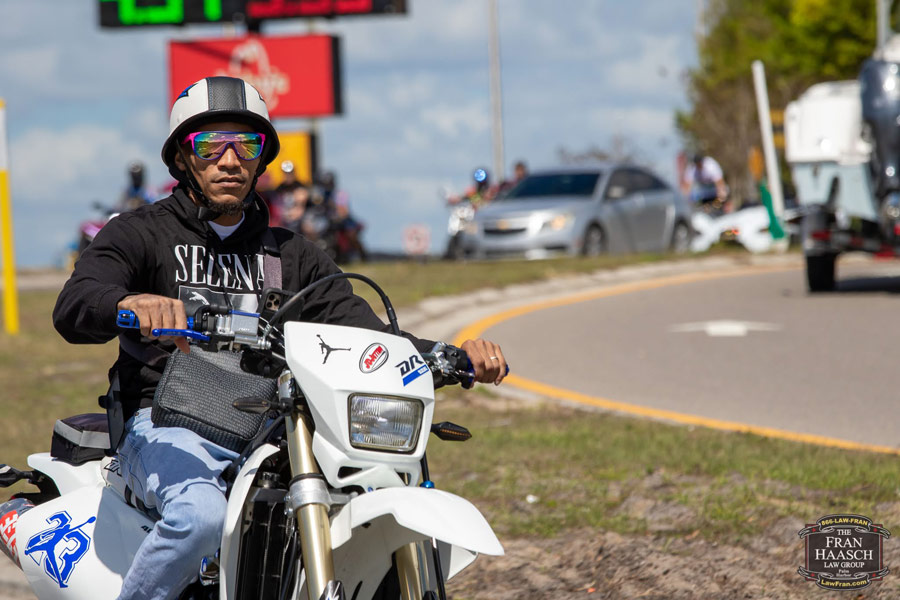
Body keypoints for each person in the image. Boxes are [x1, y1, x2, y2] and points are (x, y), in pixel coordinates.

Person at [52, 76, 508, 600]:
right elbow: (75, 303)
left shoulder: (293, 254)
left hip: (274, 425)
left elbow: (370, 336)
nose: (229, 160)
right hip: (164, 420)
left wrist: (452, 355)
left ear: (261, 159)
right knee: (201, 516)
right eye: (210, 145)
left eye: (246, 145)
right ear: (182, 157)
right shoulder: (141, 233)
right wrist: (128, 303)